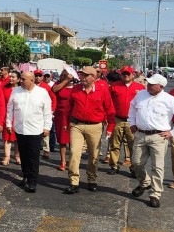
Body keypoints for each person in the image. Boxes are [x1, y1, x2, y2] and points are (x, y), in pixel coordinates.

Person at [129, 74, 174, 208]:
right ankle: (145, 183)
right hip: (140, 134)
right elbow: (132, 109)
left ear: (161, 86)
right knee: (136, 163)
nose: (149, 86)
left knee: (157, 166)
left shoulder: (169, 100)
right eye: (148, 83)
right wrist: (132, 123)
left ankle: (155, 194)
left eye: (152, 84)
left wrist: (173, 132)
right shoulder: (140, 95)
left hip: (159, 136)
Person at [63, 66, 115, 195]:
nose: (83, 78)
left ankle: (91, 179)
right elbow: (67, 108)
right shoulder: (75, 89)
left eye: (86, 75)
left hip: (95, 126)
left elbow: (110, 110)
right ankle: (74, 181)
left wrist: (110, 127)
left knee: (94, 155)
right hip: (77, 125)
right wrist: (65, 123)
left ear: (94, 77)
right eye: (82, 75)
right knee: (74, 153)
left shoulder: (103, 90)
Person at [6, 71, 53, 193]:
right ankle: (25, 175)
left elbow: (47, 111)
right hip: (20, 129)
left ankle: (32, 181)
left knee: (33, 157)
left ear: (31, 80)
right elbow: (10, 108)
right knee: (23, 155)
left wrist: (47, 127)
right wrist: (8, 123)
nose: (20, 81)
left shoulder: (42, 93)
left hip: (35, 129)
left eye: (23, 79)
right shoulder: (16, 91)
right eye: (20, 79)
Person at [107, 66, 144, 175]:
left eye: (128, 73)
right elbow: (108, 102)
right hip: (117, 119)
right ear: (121, 75)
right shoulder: (114, 86)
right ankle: (114, 165)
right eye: (124, 74)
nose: (126, 75)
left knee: (133, 145)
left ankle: (134, 168)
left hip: (133, 121)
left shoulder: (140, 87)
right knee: (114, 144)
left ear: (133, 75)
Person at [52, 70, 75, 171]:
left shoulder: (76, 87)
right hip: (60, 115)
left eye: (65, 75)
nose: (62, 76)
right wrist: (65, 80)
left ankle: (72, 161)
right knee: (62, 140)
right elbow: (54, 90)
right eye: (62, 75)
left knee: (73, 141)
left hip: (73, 116)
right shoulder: (58, 84)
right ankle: (63, 161)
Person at [0, 71, 20, 166]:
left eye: (13, 77)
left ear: (19, 79)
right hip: (7, 115)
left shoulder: (22, 89)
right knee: (7, 137)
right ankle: (6, 156)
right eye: (10, 77)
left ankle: (17, 156)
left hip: (19, 116)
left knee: (18, 138)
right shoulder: (4, 88)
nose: (11, 78)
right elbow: (1, 102)